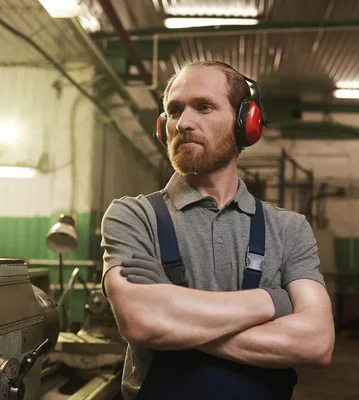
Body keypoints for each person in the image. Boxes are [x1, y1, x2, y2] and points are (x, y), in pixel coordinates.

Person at [101, 60, 335, 400]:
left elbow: (316, 343)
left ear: (246, 124)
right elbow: (142, 323)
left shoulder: (289, 228)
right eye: (174, 110)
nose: (183, 123)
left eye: (204, 107)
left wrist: (172, 305)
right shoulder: (133, 215)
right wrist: (271, 301)